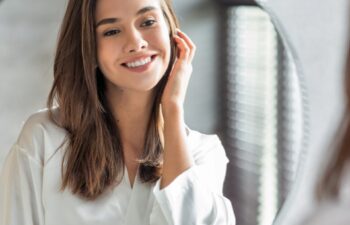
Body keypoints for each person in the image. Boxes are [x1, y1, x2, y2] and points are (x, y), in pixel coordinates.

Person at [0, 0, 235, 224]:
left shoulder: (203, 153)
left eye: (147, 22)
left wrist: (172, 108)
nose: (136, 43)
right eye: (112, 31)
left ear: (172, 31)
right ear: (89, 48)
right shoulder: (43, 139)